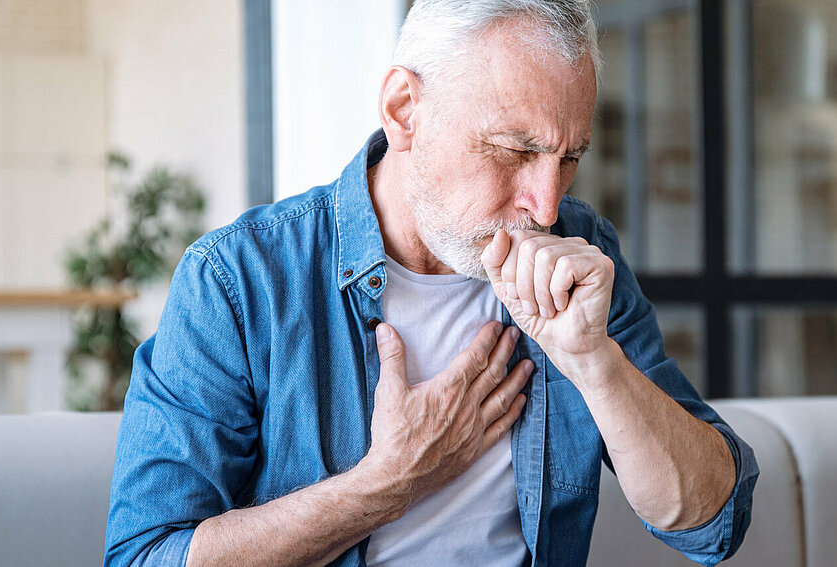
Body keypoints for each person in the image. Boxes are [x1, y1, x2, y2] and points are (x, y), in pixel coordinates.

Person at [104, 1, 758, 566]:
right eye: (515, 150)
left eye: (570, 158)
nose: (546, 204)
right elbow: (147, 553)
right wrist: (386, 482)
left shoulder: (578, 255)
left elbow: (712, 523)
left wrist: (596, 364)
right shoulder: (238, 280)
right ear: (404, 110)